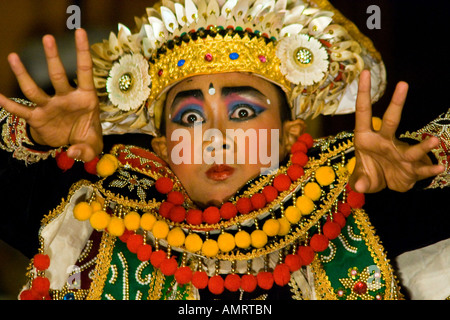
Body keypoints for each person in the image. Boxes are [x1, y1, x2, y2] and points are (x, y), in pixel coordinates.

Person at [0, 0, 448, 300]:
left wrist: (418, 161)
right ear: (163, 146)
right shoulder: (103, 212)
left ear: (291, 133)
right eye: (191, 119)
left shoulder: (348, 200)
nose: (215, 137)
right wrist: (38, 137)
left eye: (241, 113)